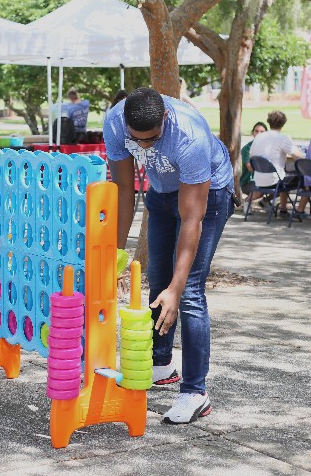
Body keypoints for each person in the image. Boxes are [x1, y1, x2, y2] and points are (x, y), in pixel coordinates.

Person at [103, 87, 233, 424]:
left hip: (210, 193)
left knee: (185, 291)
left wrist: (176, 287)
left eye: (151, 139)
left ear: (165, 118)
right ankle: (160, 365)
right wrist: (117, 255)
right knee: (157, 280)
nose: (144, 147)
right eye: (138, 141)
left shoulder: (189, 136)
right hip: (160, 193)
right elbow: (123, 191)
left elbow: (193, 218)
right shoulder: (115, 123)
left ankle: (195, 392)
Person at [250, 111, 304, 215]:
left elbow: (252, 156)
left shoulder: (258, 137)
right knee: (299, 176)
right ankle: (299, 209)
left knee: (283, 173)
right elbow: (298, 156)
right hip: (275, 180)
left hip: (258, 178)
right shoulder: (283, 138)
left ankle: (283, 209)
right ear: (283, 123)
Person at [240, 121, 267, 198]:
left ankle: (264, 202)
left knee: (281, 187)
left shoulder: (268, 148)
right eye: (256, 131)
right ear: (252, 133)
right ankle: (247, 203)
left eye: (262, 132)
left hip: (265, 179)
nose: (259, 134)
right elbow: (250, 168)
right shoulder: (247, 148)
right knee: (261, 190)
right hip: (249, 182)